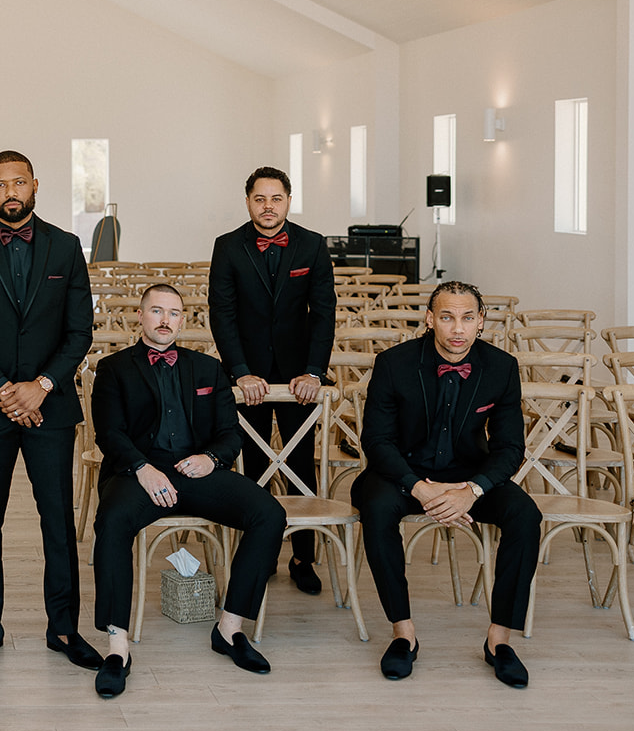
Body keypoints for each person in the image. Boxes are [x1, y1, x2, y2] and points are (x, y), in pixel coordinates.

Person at [0, 150, 100, 671]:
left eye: (18, 183)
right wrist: (7, 390)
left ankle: (64, 629)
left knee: (57, 520)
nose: (10, 192)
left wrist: (43, 386)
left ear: (35, 185)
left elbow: (79, 331)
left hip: (51, 409)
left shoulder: (67, 247)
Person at [88, 284, 288, 697]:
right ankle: (117, 646)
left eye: (174, 313)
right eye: (156, 311)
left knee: (268, 514)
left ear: (183, 319)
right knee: (112, 520)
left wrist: (211, 460)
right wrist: (142, 468)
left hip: (195, 469)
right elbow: (109, 433)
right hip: (138, 474)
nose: (165, 320)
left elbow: (229, 434)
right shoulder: (113, 368)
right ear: (139, 317)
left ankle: (230, 628)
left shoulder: (208, 368)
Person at [355, 280, 539, 688]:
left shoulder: (502, 366)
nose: (458, 328)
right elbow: (377, 441)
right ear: (429, 319)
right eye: (447, 317)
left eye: (468, 318)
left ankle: (500, 641)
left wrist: (469, 491)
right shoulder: (394, 363)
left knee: (525, 514)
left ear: (481, 322)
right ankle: (404, 634)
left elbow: (510, 448)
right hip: (400, 473)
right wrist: (420, 488)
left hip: (466, 476)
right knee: (377, 508)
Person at [208, 166, 335, 596]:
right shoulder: (227, 247)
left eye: (275, 198)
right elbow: (221, 315)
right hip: (248, 376)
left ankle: (303, 558)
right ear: (248, 202)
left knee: (300, 466)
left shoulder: (313, 245)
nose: (267, 206)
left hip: (300, 375)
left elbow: (324, 314)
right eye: (259, 199)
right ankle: (258, 556)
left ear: (288, 200)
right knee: (251, 467)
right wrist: (241, 372)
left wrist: (315, 371)